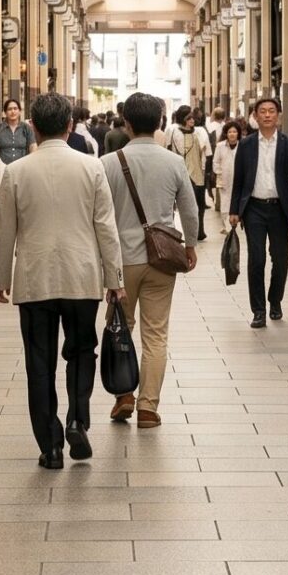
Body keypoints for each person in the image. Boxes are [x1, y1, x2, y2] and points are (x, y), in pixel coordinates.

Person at [0, 92, 124, 470]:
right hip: (82, 277)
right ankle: (77, 420)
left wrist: (1, 277)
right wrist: (114, 277)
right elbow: (106, 227)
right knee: (82, 352)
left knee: (39, 362)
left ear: (32, 125)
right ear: (70, 125)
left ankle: (50, 447)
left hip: (34, 281)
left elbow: (3, 232)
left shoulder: (16, 172)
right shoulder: (91, 168)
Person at [105, 93, 201, 430]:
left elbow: (98, 217)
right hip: (161, 259)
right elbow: (190, 210)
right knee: (156, 335)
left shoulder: (108, 163)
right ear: (160, 122)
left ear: (127, 123)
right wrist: (189, 245)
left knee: (120, 328)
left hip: (120, 261)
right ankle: (148, 407)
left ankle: (123, 396)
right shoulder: (173, 162)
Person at [226, 98, 288, 328]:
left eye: (272, 111)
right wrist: (235, 209)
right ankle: (259, 310)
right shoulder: (247, 144)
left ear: (279, 116)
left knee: (280, 259)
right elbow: (239, 179)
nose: (268, 115)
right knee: (256, 259)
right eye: (263, 111)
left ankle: (275, 300)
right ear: (255, 116)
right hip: (253, 208)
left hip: (281, 209)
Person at [216, 119, 246, 294]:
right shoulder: (221, 146)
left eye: (235, 132)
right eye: (230, 132)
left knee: (237, 201)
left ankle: (236, 221)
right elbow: (216, 163)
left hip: (239, 179)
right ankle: (228, 226)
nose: (233, 134)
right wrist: (218, 174)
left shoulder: (243, 146)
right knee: (225, 203)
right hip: (225, 179)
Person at [171, 106, 212, 235]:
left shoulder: (198, 133)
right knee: (188, 207)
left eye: (192, 117)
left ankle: (200, 230)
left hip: (198, 173)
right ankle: (192, 232)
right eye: (188, 118)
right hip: (183, 174)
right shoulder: (175, 133)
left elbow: (206, 153)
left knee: (199, 204)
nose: (192, 120)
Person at [0, 101, 36, 167]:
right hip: (4, 169)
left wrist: (31, 164)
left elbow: (33, 147)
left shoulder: (26, 128)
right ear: (5, 113)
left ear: (20, 111)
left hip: (22, 168)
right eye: (9, 109)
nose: (13, 111)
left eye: (15, 108)